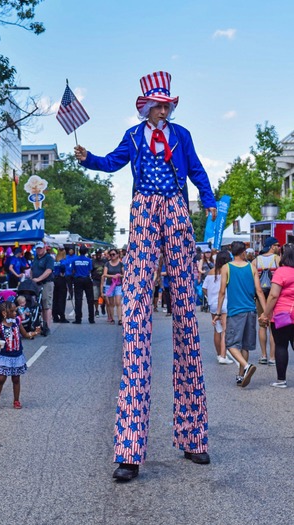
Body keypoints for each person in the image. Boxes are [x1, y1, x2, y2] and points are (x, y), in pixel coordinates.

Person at [75, 70, 217, 480]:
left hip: (175, 208)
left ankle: (193, 438)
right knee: (135, 317)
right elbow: (112, 163)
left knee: (187, 318)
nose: (165, 106)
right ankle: (129, 451)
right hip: (142, 211)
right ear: (147, 106)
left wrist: (206, 200)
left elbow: (197, 170)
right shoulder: (134, 137)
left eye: (168, 102)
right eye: (160, 102)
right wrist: (88, 160)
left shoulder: (181, 135)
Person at [215, 241, 266, 388]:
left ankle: (246, 366)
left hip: (235, 311)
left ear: (232, 252)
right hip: (251, 310)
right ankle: (241, 375)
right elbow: (259, 291)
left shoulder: (227, 267)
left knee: (230, 344)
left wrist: (218, 312)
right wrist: (265, 312)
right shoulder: (252, 267)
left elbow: (222, 292)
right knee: (245, 345)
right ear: (244, 252)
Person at [0, 301, 39, 410]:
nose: (15, 313)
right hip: (5, 357)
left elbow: (25, 334)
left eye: (15, 310)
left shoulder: (17, 322)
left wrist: (35, 333)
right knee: (1, 379)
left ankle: (16, 401)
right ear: (4, 313)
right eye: (12, 311)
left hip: (17, 356)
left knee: (16, 379)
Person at [259, 243, 294, 388]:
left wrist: (265, 314)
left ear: (282, 256)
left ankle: (281, 380)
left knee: (281, 346)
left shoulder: (281, 272)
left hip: (282, 315)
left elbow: (273, 295)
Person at [203, 250, 234, 364]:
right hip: (225, 302)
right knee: (225, 330)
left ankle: (218, 354)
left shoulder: (211, 272)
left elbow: (204, 288)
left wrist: (209, 297)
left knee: (217, 329)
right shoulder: (229, 271)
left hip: (213, 304)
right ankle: (223, 355)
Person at [253, 236, 280, 365]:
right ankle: (272, 357)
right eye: (277, 245)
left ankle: (263, 355)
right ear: (271, 246)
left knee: (262, 324)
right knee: (273, 326)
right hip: (274, 294)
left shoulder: (256, 260)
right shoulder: (277, 259)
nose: (279, 247)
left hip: (260, 295)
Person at [30, 241, 54, 336]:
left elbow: (48, 271)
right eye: (37, 249)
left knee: (46, 304)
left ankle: (47, 326)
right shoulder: (35, 258)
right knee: (39, 305)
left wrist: (39, 278)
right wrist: (31, 279)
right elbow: (32, 270)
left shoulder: (48, 258)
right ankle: (41, 324)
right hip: (36, 284)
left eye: (40, 248)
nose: (39, 250)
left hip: (46, 283)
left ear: (44, 248)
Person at [72, 245, 94, 325]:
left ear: (79, 251)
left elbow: (73, 270)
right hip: (87, 279)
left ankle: (78, 319)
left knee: (78, 299)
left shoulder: (75, 260)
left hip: (78, 279)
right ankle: (91, 318)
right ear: (86, 252)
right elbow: (90, 270)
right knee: (90, 299)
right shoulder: (89, 260)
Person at [101, 248, 124, 325]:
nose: (112, 256)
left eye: (113, 254)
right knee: (111, 303)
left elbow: (124, 274)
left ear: (117, 255)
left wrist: (119, 276)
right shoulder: (107, 264)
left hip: (118, 285)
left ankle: (120, 319)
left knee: (118, 302)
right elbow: (105, 274)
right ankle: (112, 319)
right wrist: (113, 276)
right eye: (110, 255)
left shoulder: (121, 264)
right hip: (109, 285)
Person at [52, 246, 69, 323]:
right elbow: (63, 267)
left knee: (55, 298)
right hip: (61, 279)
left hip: (54, 279)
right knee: (62, 298)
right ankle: (62, 316)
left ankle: (55, 315)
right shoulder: (63, 261)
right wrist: (63, 272)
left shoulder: (54, 261)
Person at [91, 249, 107, 317]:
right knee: (95, 297)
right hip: (95, 281)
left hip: (103, 281)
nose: (98, 255)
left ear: (101, 254)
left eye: (99, 253)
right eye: (97, 253)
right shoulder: (93, 262)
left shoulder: (104, 261)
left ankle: (103, 306)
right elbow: (90, 270)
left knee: (104, 296)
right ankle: (96, 310)